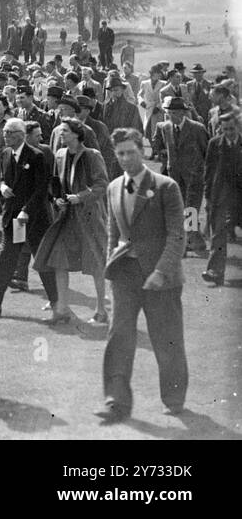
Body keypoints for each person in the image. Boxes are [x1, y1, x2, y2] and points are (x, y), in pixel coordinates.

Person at [98, 129, 189, 421]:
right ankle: (115, 400)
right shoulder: (113, 187)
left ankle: (174, 398)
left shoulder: (165, 186)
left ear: (143, 151)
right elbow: (113, 231)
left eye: (131, 152)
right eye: (121, 153)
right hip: (125, 274)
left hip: (160, 278)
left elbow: (177, 235)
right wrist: (109, 264)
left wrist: (162, 271)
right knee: (119, 337)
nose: (126, 158)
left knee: (167, 338)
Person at [0, 119, 57, 317]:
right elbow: (3, 177)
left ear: (21, 134)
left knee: (42, 261)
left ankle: (58, 304)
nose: (6, 135)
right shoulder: (5, 154)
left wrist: (27, 210)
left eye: (10, 132)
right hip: (14, 218)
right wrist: (2, 187)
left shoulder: (37, 156)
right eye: (5, 132)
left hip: (34, 218)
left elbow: (41, 189)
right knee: (7, 257)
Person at [35, 118, 109, 325]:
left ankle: (101, 310)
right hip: (66, 218)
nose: (60, 133)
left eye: (65, 131)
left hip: (89, 218)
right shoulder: (59, 155)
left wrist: (81, 197)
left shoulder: (93, 156)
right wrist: (56, 198)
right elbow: (56, 183)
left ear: (77, 134)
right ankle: (62, 309)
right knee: (59, 262)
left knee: (96, 264)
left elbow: (102, 184)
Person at [151, 96, 211, 256]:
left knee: (190, 209)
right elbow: (156, 142)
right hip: (174, 176)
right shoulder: (164, 127)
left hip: (194, 177)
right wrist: (163, 153)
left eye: (175, 112)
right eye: (169, 112)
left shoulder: (197, 128)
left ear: (184, 112)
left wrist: (204, 172)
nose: (172, 115)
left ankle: (186, 243)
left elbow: (208, 152)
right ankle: (196, 241)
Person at [201, 112, 241, 285]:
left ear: (238, 127)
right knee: (218, 234)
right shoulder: (214, 144)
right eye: (225, 129)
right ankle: (215, 271)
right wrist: (208, 197)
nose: (229, 132)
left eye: (232, 129)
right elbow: (208, 173)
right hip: (222, 196)